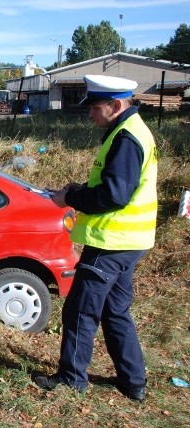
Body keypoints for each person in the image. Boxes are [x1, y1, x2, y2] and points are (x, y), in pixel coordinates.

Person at [33, 75, 158, 402]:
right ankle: (134, 382)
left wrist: (70, 199)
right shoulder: (132, 130)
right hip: (130, 241)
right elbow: (116, 188)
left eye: (95, 107)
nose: (90, 114)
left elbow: (114, 196)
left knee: (79, 311)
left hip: (111, 243)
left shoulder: (125, 138)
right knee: (115, 310)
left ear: (116, 105)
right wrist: (79, 190)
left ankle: (71, 379)